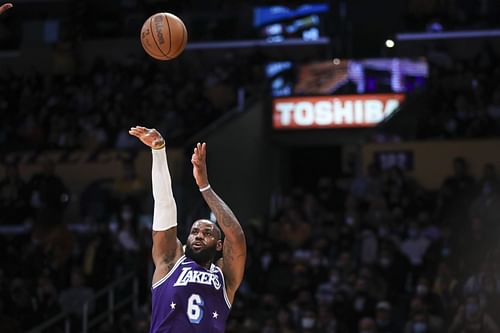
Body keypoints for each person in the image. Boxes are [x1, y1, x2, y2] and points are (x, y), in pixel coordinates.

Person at [128, 126, 246, 333]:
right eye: (194, 232)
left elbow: (235, 235)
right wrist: (158, 151)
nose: (199, 235)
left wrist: (204, 186)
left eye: (207, 233)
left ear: (219, 245)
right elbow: (164, 204)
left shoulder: (225, 276)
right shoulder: (170, 261)